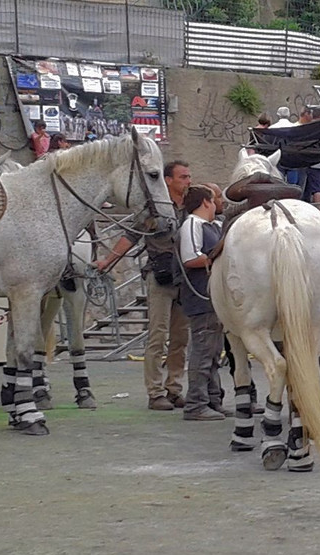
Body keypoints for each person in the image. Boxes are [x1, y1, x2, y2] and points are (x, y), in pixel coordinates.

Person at [96, 160, 192, 411]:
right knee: (157, 336)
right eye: (183, 177)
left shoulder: (192, 205)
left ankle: (174, 388)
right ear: (168, 180)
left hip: (185, 277)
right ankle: (155, 391)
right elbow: (131, 235)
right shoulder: (154, 209)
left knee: (181, 338)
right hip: (160, 275)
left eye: (188, 176)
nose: (188, 181)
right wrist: (108, 260)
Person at [176, 185, 227, 421]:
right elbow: (190, 258)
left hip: (212, 297)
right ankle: (196, 402)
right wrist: (217, 256)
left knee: (213, 351)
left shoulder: (212, 226)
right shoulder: (192, 225)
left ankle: (213, 399)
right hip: (200, 296)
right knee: (203, 350)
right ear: (206, 202)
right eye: (214, 199)